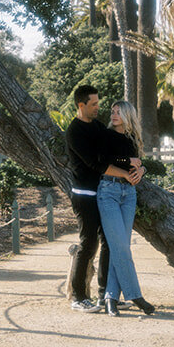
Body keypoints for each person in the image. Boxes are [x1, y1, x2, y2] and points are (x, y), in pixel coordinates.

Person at [64, 85, 142, 312]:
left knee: (108, 242)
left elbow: (115, 154)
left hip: (103, 194)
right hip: (85, 195)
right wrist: (126, 172)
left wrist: (139, 168)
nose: (99, 107)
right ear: (81, 105)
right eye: (94, 104)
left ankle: (104, 295)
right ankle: (78, 297)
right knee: (88, 243)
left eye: (98, 103)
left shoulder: (98, 127)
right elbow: (96, 163)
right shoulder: (74, 132)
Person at [95, 100, 155, 317]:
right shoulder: (106, 135)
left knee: (120, 247)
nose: (114, 115)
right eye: (113, 111)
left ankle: (110, 298)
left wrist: (142, 170)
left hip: (129, 194)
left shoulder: (133, 138)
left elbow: (139, 162)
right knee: (120, 247)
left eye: (118, 112)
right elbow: (102, 159)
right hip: (108, 192)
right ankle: (135, 295)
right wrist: (127, 160)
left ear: (128, 115)